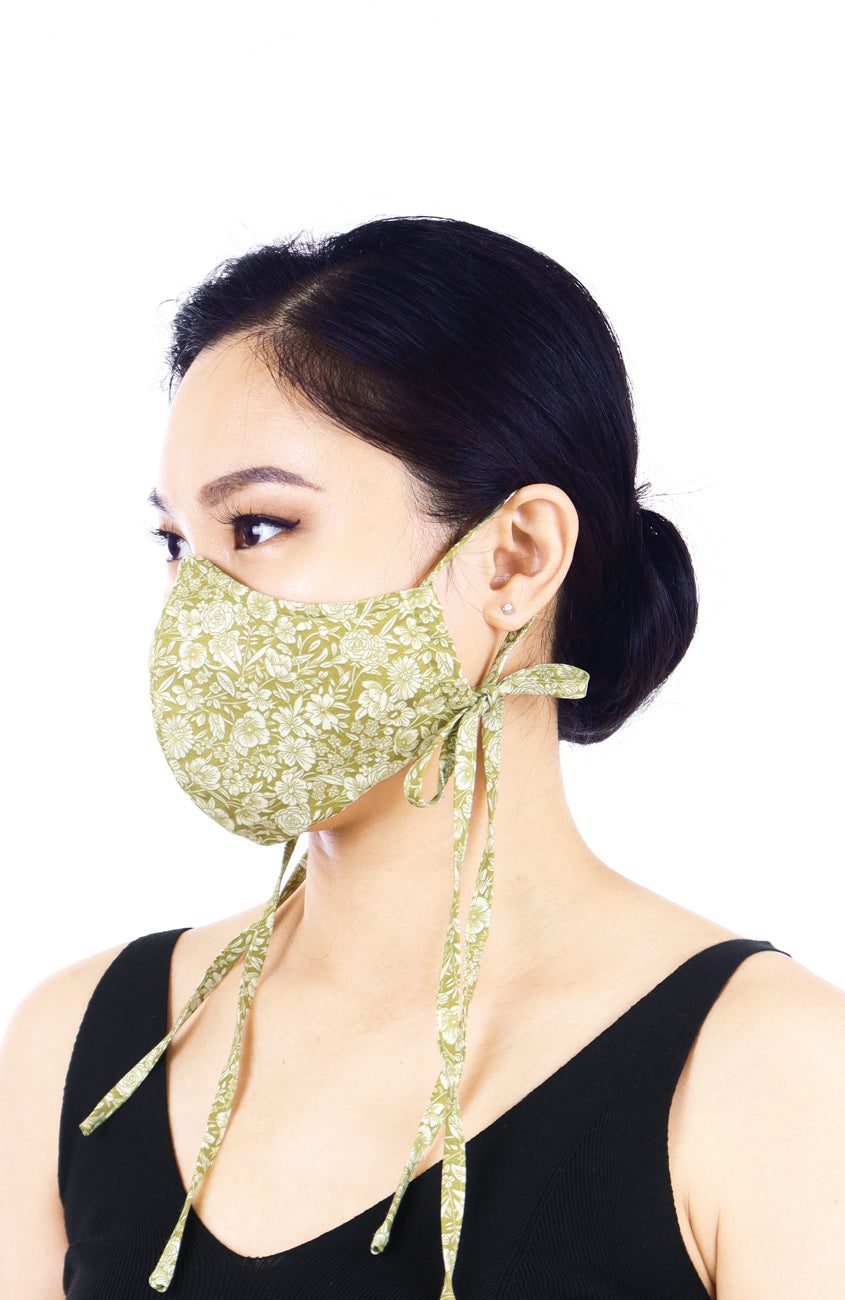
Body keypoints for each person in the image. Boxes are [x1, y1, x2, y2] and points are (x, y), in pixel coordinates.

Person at [1, 216, 843, 1299]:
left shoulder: (772, 1074)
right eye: (178, 546)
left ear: (514, 558)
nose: (194, 616)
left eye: (258, 527)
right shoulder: (80, 1050)